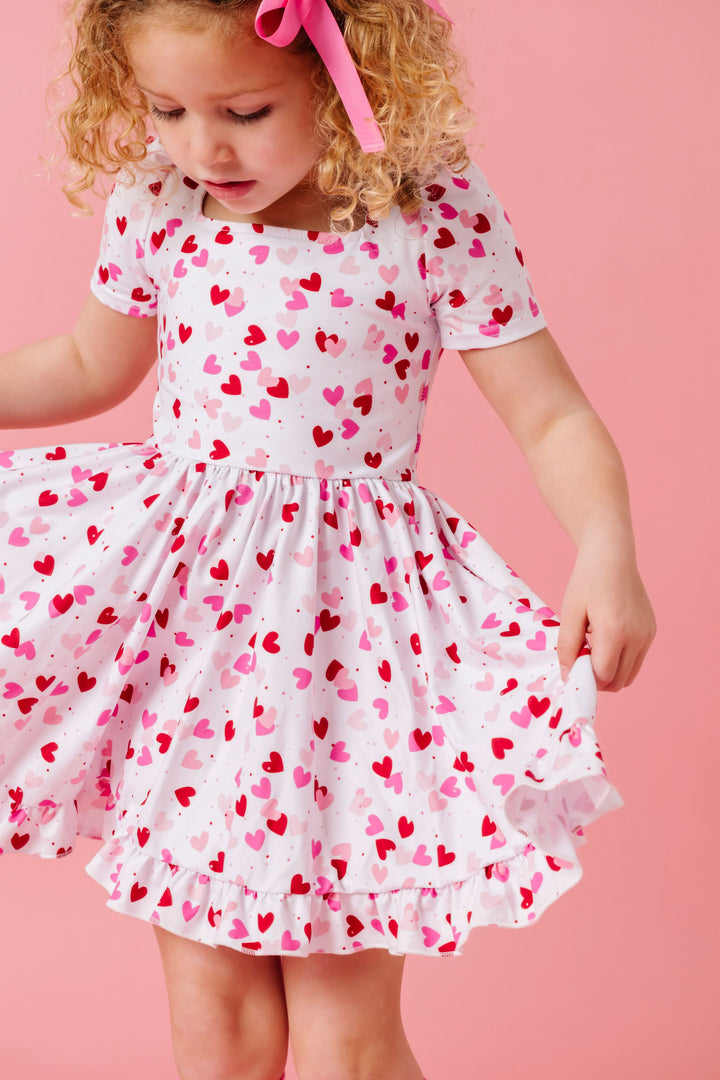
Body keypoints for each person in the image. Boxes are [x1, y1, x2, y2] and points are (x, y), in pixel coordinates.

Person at [0, 1, 656, 1078]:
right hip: (197, 645)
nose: (203, 145)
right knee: (217, 1029)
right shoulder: (161, 200)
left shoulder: (426, 210)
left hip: (355, 650)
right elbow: (85, 365)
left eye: (245, 111)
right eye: (167, 109)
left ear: (348, 71)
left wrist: (606, 545)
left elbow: (551, 415)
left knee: (348, 1038)